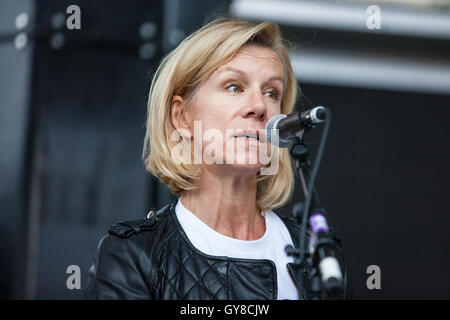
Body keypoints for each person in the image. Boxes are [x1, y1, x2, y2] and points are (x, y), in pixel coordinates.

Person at [85, 17, 343, 300]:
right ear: (182, 116)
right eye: (234, 86)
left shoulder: (320, 256)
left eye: (272, 93)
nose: (259, 106)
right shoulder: (132, 256)